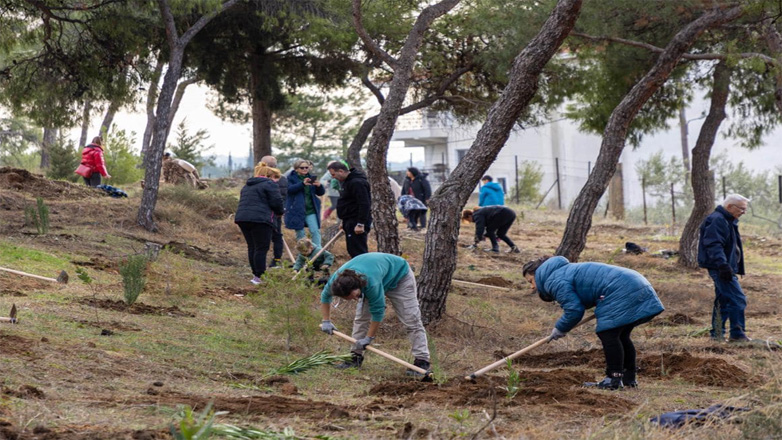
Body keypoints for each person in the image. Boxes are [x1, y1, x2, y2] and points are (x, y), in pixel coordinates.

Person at [522, 256, 664, 390]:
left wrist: (560, 328)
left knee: (608, 333)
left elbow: (574, 310)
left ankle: (613, 379)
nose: (532, 287)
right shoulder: (562, 272)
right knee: (621, 335)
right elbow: (584, 296)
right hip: (634, 282)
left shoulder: (554, 280)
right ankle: (628, 379)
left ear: (538, 273)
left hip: (620, 289)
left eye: (531, 281)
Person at [319, 253, 431, 376]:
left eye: (356, 296)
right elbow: (325, 297)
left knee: (411, 319)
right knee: (361, 319)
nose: (356, 299)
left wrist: (369, 338)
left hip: (400, 277)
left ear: (357, 286)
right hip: (377, 273)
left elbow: (378, 312)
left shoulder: (371, 284)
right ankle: (355, 357)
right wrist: (326, 321)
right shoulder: (336, 282)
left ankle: (422, 360)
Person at [698, 194, 750, 342]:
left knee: (723, 300)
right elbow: (714, 244)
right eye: (741, 209)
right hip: (720, 267)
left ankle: (717, 335)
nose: (743, 212)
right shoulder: (717, 220)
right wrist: (722, 265)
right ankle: (737, 335)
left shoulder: (728, 220)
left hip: (725, 266)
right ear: (729, 207)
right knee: (738, 299)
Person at [234, 162, 284, 285]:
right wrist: (280, 212)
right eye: (275, 177)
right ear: (269, 176)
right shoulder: (269, 184)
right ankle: (260, 276)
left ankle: (255, 275)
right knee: (261, 248)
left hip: (242, 218)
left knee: (252, 247)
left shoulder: (247, 185)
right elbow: (276, 202)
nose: (276, 181)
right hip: (260, 219)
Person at [327, 161, 372, 257]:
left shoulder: (357, 183)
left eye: (333, 174)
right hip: (349, 220)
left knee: (358, 250)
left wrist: (360, 223)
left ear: (341, 171)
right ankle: (356, 270)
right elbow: (347, 202)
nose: (333, 177)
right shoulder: (346, 182)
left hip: (357, 221)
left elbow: (364, 203)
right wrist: (343, 221)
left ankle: (363, 270)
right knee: (352, 249)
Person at [285, 159, 325, 247]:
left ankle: (318, 253)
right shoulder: (290, 178)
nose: (305, 169)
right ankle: (303, 253)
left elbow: (320, 193)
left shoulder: (311, 178)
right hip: (296, 209)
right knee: (300, 234)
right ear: (296, 169)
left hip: (311, 209)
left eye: (306, 167)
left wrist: (319, 186)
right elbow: (289, 190)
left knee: (315, 231)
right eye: (302, 167)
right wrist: (302, 184)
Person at [261, 155, 288, 269]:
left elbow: (280, 197)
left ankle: (276, 260)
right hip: (267, 212)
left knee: (275, 236)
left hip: (272, 212)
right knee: (270, 236)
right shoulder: (261, 178)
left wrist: (279, 210)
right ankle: (268, 259)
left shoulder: (278, 179)